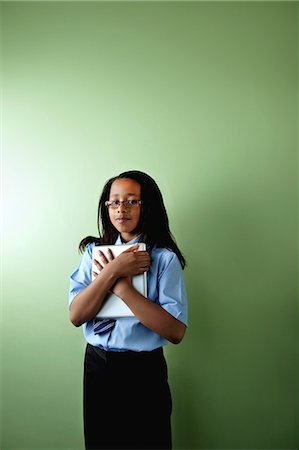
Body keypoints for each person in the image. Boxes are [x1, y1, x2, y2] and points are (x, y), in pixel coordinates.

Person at [69, 170, 188, 450]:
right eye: (114, 202)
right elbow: (76, 316)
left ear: (147, 207)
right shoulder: (93, 254)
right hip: (98, 366)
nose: (122, 208)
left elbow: (175, 331)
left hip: (144, 372)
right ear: (106, 207)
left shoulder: (163, 259)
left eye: (132, 201)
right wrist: (111, 270)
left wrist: (121, 287)